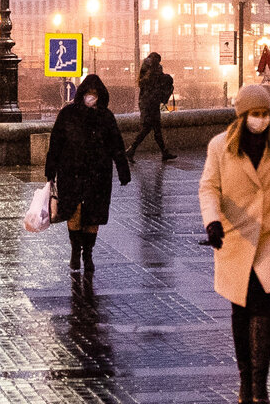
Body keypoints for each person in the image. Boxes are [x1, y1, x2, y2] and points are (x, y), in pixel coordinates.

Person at [199, 84, 270, 404]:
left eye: (265, 113)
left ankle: (259, 384)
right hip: (233, 235)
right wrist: (212, 222)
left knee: (262, 305)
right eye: (255, 114)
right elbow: (209, 188)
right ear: (242, 115)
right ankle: (245, 378)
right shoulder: (221, 147)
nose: (261, 119)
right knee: (240, 309)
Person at [46, 73, 131, 276]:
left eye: (95, 94)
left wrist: (123, 170)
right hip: (71, 172)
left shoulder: (106, 117)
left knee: (93, 216)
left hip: (98, 175)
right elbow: (56, 142)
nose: (91, 97)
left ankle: (88, 254)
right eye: (88, 93)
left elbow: (116, 145)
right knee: (73, 212)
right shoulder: (68, 114)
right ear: (82, 93)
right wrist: (51, 169)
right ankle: (76, 251)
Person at [132, 52, 175, 159]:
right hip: (149, 104)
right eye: (158, 61)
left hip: (150, 103)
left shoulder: (148, 69)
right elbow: (157, 80)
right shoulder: (150, 69)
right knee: (147, 129)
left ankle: (164, 153)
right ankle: (131, 150)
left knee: (156, 129)